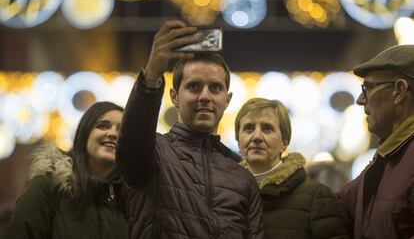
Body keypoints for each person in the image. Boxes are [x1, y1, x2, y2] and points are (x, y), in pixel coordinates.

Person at [116, 20, 264, 238]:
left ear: (227, 99)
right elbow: (131, 146)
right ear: (174, 96)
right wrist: (151, 77)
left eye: (215, 88)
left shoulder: (243, 179)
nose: (205, 96)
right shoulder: (153, 154)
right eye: (194, 87)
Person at [4, 101, 128, 239]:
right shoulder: (49, 185)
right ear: (84, 134)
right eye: (103, 126)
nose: (113, 134)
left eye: (121, 130)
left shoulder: (130, 201)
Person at [235, 97, 349, 239]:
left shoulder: (316, 197)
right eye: (249, 128)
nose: (257, 136)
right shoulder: (224, 195)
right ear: (239, 142)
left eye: (267, 128)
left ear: (284, 142)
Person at [338, 44, 414, 238]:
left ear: (399, 91)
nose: (360, 99)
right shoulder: (388, 155)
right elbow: (335, 207)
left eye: (368, 87)